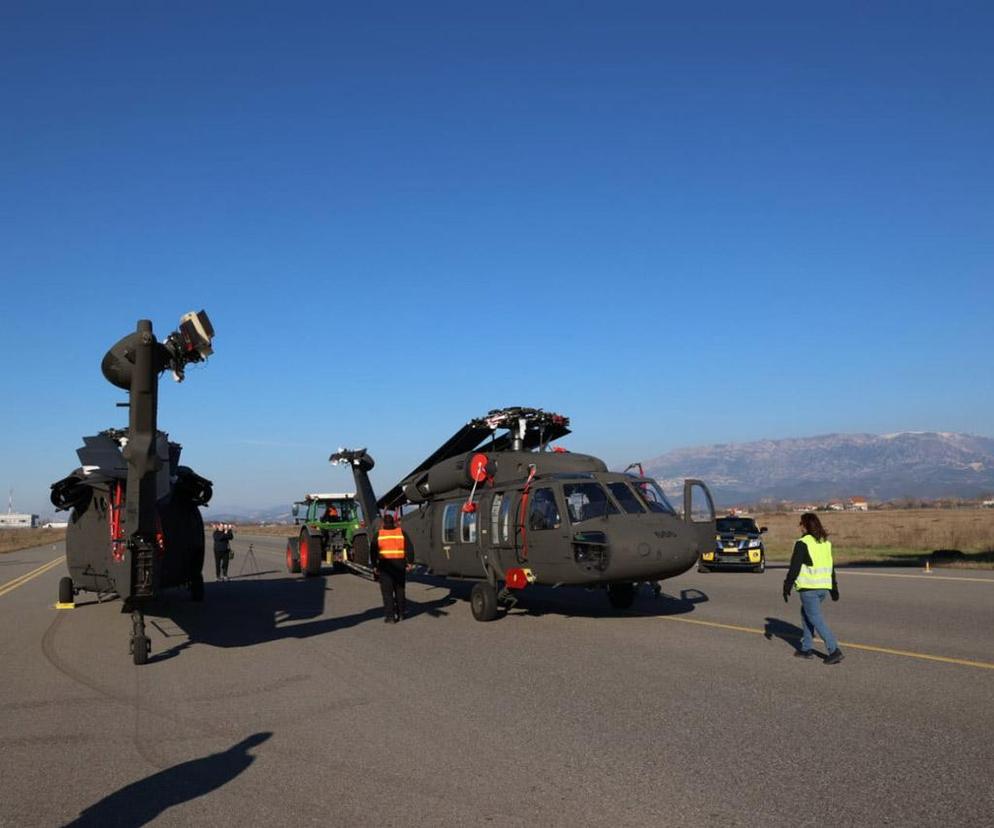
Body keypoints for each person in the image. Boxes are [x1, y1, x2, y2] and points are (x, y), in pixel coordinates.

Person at [783, 512, 843, 664]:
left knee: (816, 618)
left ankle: (834, 650)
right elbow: (830, 568)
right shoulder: (825, 543)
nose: (799, 526)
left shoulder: (803, 543)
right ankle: (806, 648)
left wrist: (787, 585)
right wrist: (834, 588)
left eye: (801, 523)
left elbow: (794, 567)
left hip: (809, 589)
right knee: (806, 615)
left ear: (806, 525)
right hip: (823, 588)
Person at [371, 513, 409, 623]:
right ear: (393, 522)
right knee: (400, 590)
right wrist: (410, 562)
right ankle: (401, 614)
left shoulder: (379, 534)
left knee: (387, 593)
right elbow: (409, 547)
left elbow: (373, 551)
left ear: (383, 523)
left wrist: (374, 566)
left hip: (385, 567)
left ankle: (390, 617)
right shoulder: (401, 533)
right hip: (400, 566)